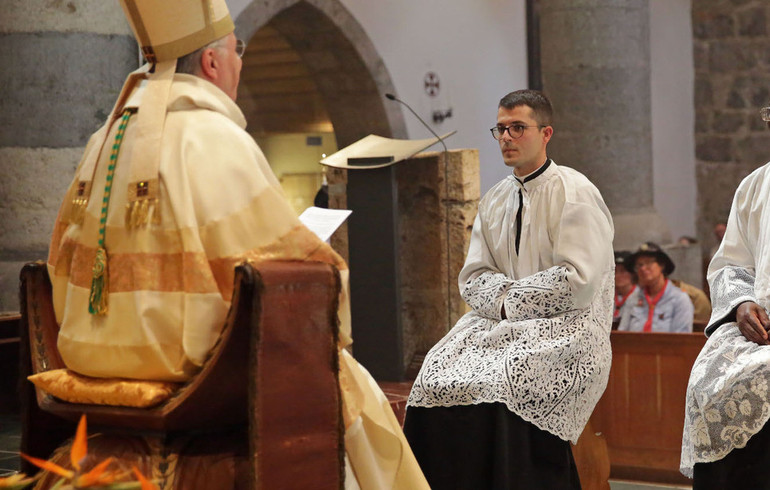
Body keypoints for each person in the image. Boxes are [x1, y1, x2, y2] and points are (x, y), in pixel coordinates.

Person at [45, 1, 428, 488]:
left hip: (85, 359)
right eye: (236, 50)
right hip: (197, 376)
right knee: (357, 389)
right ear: (211, 62)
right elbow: (293, 274)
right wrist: (336, 283)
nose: (240, 62)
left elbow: (58, 265)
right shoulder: (211, 138)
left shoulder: (102, 140)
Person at [403, 89, 615, 489]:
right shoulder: (495, 198)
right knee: (432, 379)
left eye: (518, 128)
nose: (506, 137)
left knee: (500, 385)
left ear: (545, 132)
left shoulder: (575, 192)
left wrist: (510, 299)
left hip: (569, 328)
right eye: (500, 129)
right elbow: (474, 274)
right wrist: (503, 303)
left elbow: (579, 281)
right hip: (498, 324)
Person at [681, 161, 770, 488]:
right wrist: (742, 303)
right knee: (706, 382)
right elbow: (730, 265)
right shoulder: (755, 184)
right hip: (759, 327)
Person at [617, 242, 693, 333]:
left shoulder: (679, 299)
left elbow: (682, 340)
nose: (643, 268)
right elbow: (622, 333)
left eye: (648, 263)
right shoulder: (633, 299)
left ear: (662, 266)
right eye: (639, 265)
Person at [614, 251, 636, 328]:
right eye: (615, 271)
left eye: (623, 271)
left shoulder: (640, 296)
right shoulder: (607, 296)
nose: (618, 275)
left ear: (633, 273)